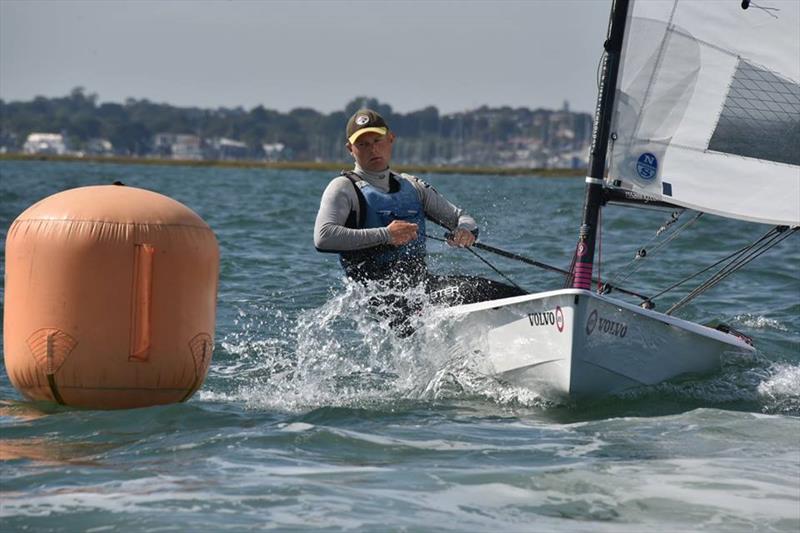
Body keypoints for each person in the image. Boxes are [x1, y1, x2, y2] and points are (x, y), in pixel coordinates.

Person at [314, 108, 525, 318]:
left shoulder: (413, 186)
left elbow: (462, 218)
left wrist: (464, 231)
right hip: (380, 297)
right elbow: (323, 237)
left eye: (377, 141)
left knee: (499, 292)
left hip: (420, 288)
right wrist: (387, 235)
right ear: (350, 149)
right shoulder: (343, 187)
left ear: (390, 138)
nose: (372, 150)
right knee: (477, 291)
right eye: (363, 144)